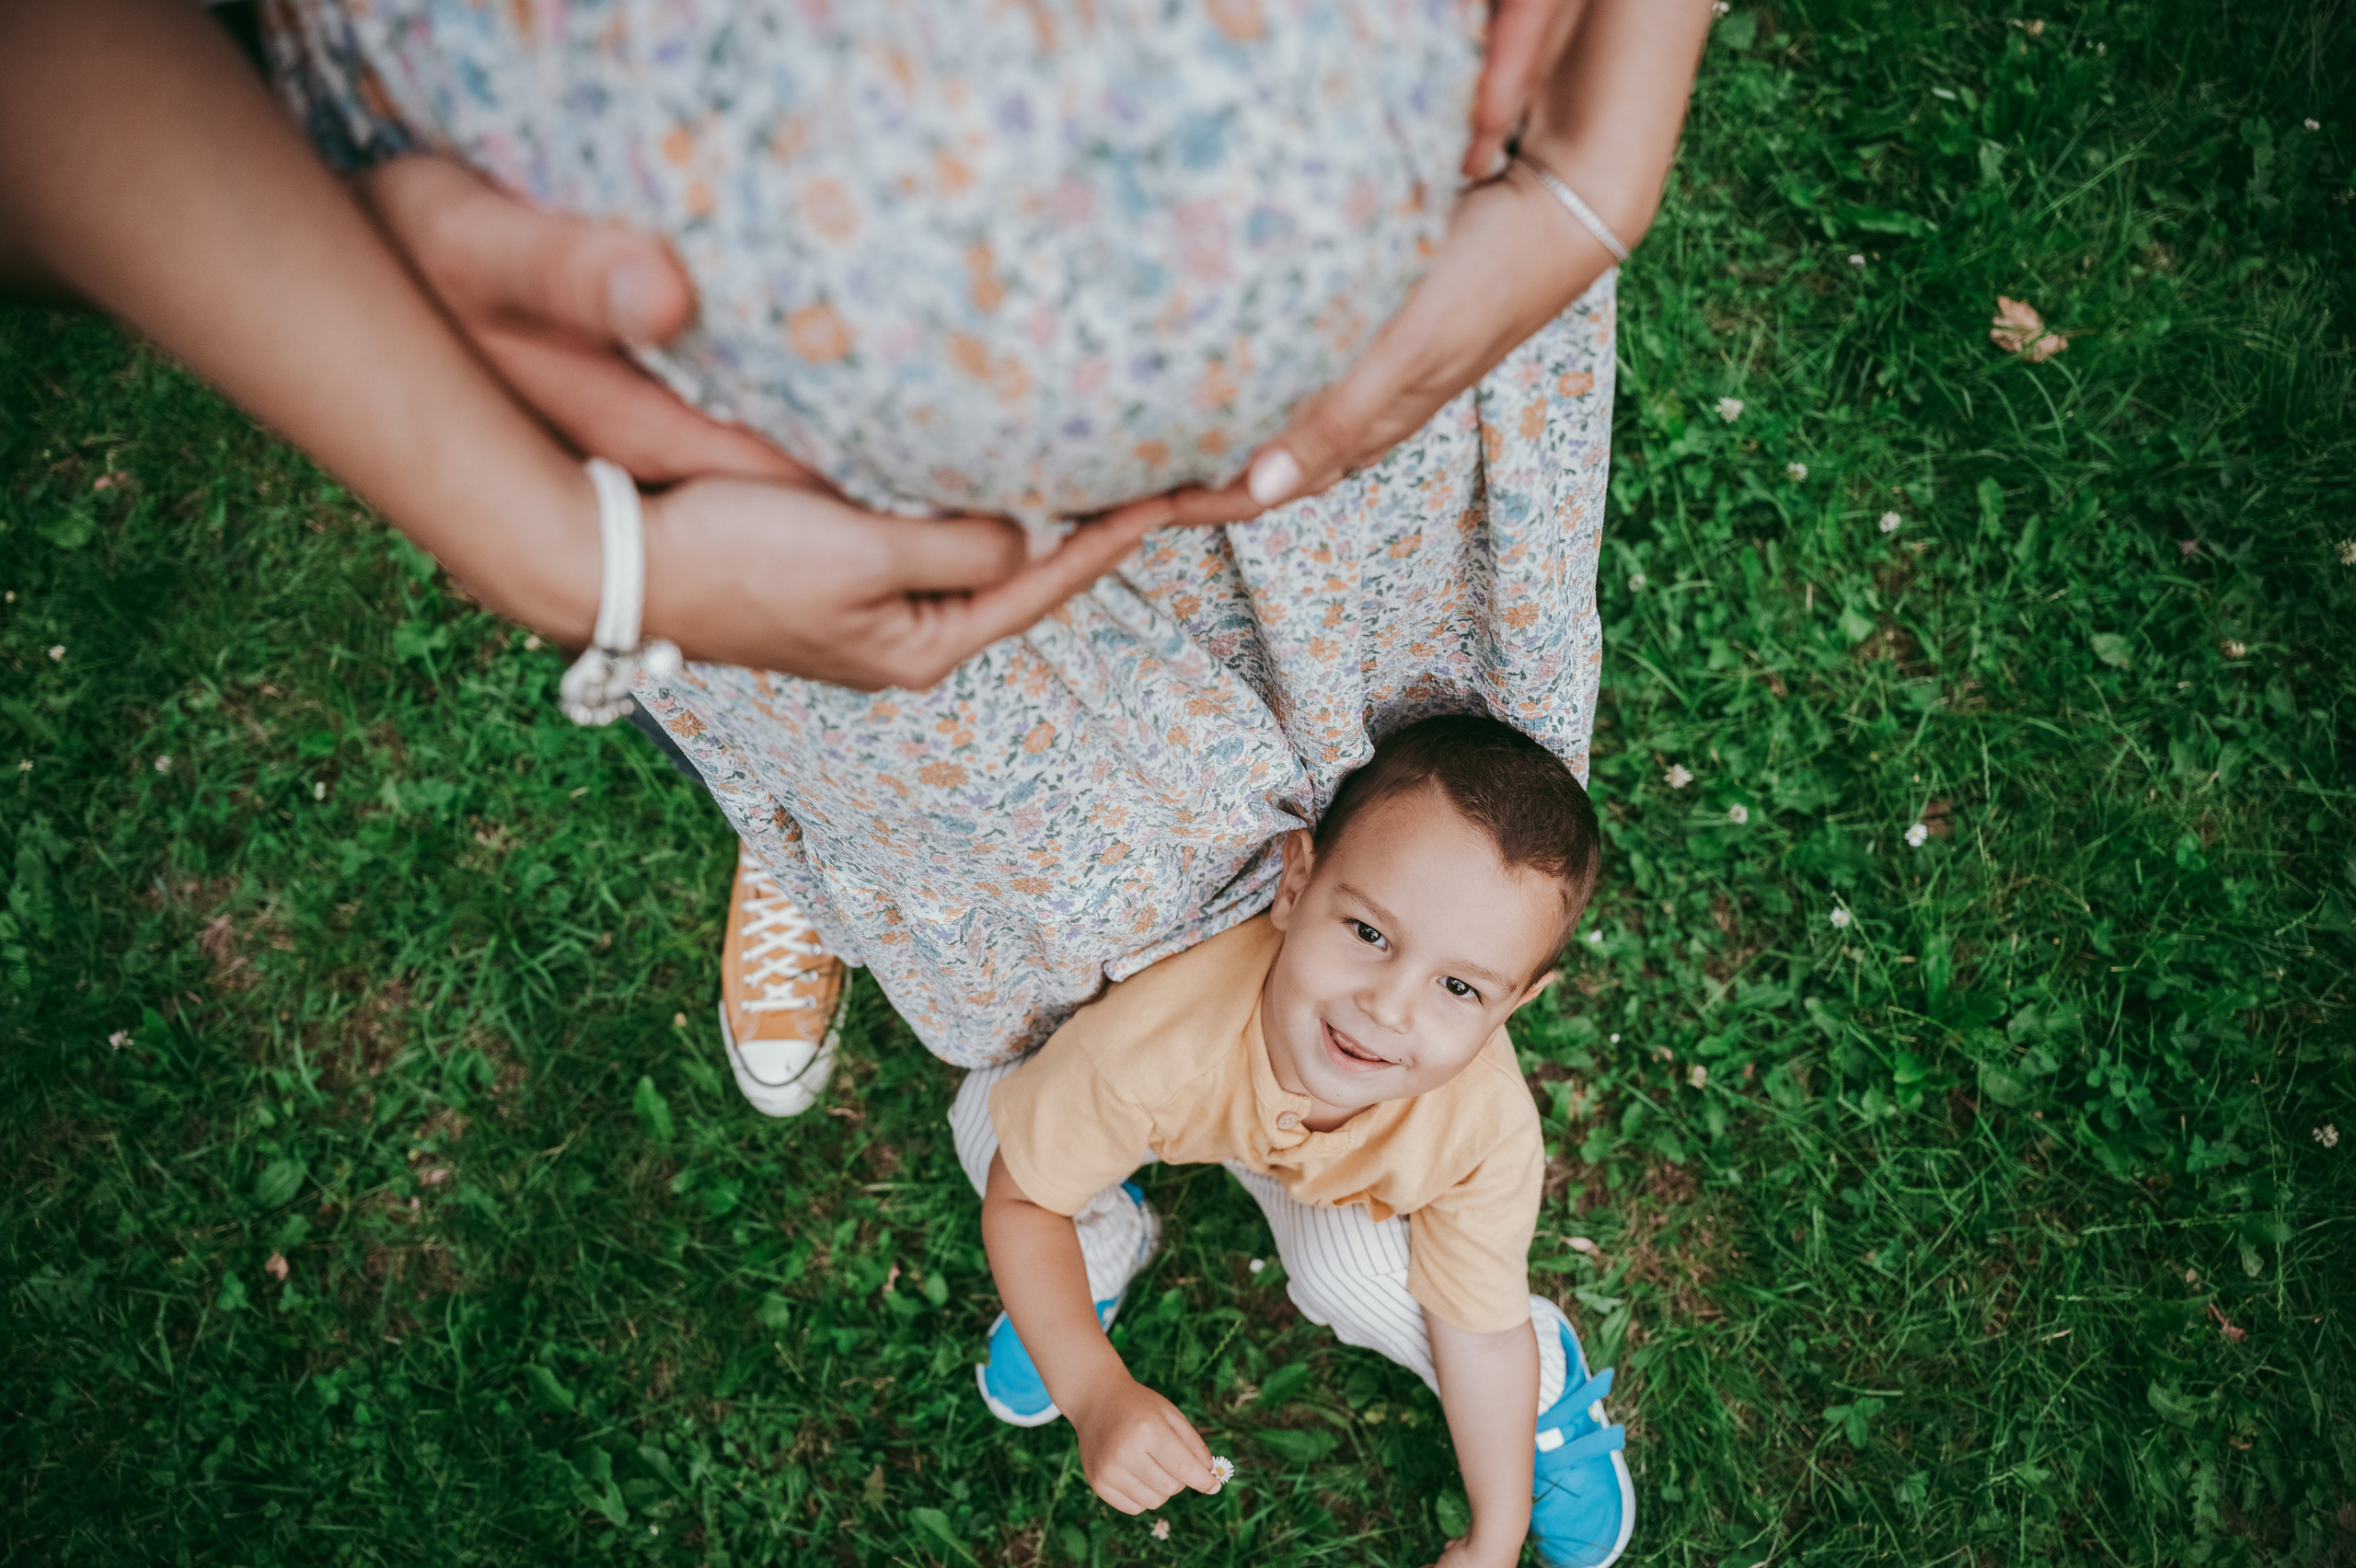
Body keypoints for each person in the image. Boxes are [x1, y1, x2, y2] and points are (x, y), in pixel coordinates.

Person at [249, 0, 1715, 1103]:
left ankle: (1317, 923)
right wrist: (556, 548)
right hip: (726, 380)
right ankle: (812, 851)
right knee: (885, 758)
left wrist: (1608, 143)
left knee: (1404, 750)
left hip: (1372, 317)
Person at [952, 714, 1630, 1568]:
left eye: (1459, 985)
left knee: (1351, 1277)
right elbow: (1020, 1198)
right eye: (1370, 934)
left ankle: (1545, 1388)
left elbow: (1479, 1332)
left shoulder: (1481, 1126)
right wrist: (1093, 1388)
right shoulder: (1151, 1048)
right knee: (988, 1122)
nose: (1387, 1009)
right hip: (1183, 1096)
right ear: (1297, 883)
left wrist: (1493, 1539)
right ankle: (1097, 1238)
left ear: (1514, 1006)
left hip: (1337, 1179)